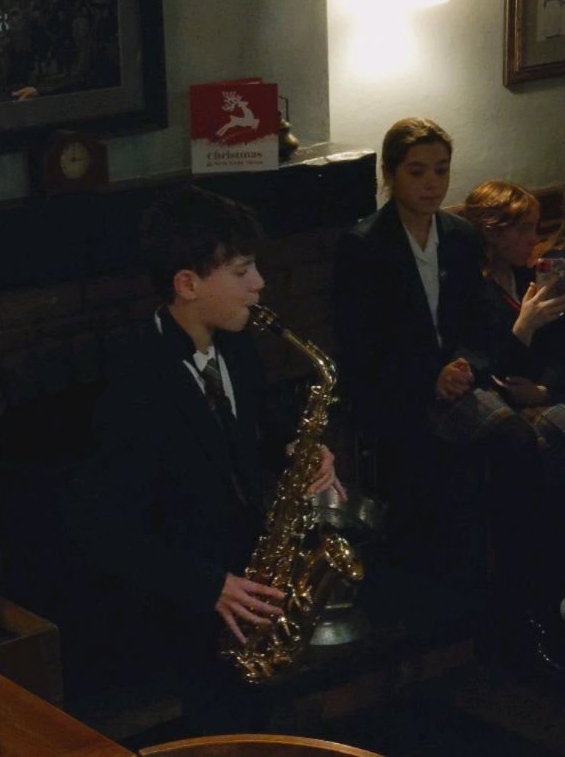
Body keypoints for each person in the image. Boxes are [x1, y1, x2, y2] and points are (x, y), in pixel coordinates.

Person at [77, 185, 343, 734]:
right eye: (242, 270)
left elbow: (255, 431)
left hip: (246, 579)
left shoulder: (236, 345)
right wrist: (208, 585)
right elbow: (107, 532)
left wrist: (300, 450)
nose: (259, 282)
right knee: (221, 730)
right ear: (188, 284)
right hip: (185, 605)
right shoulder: (132, 385)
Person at [333, 118, 565, 670]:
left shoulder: (459, 236)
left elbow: (474, 327)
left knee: (526, 443)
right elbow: (363, 346)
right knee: (512, 441)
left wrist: (465, 366)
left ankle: (526, 599)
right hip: (399, 390)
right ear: (390, 174)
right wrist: (428, 377)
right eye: (417, 172)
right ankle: (508, 606)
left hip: (458, 379)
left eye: (440, 170)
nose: (431, 183)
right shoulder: (364, 244)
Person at [462, 180, 565, 468]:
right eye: (524, 229)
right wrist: (523, 328)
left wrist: (544, 390)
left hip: (545, 389)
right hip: (506, 403)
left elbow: (557, 347)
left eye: (535, 227)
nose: (534, 238)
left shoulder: (526, 277)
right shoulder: (474, 290)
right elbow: (492, 372)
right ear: (491, 232)